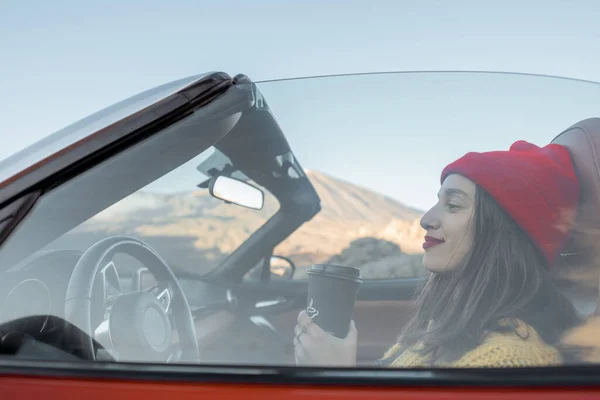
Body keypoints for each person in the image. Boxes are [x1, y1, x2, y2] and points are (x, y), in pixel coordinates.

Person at [294, 141, 582, 368]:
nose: (426, 219)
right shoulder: (442, 327)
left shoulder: (510, 359)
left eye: (453, 205)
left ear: (502, 232)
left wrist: (332, 374)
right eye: (437, 202)